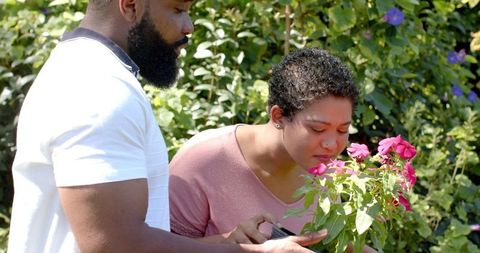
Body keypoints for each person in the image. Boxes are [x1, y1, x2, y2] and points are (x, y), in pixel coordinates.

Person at [7, 1, 328, 252]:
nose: (189, 27)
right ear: (130, 5)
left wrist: (229, 243)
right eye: (178, 9)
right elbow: (113, 245)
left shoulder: (81, 68)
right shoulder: (100, 89)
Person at [169, 48, 372, 250]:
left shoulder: (326, 170)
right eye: (317, 129)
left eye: (342, 130)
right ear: (278, 116)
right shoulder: (205, 158)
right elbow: (148, 246)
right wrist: (227, 244)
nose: (331, 144)